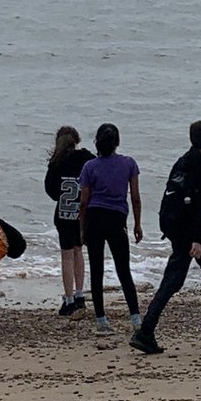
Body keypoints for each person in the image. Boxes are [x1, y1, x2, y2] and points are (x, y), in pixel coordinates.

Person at [131, 117, 201, 355]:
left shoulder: (182, 162)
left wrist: (185, 237)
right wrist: (197, 240)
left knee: (173, 280)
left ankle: (146, 330)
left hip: (176, 228)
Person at [78, 123, 143, 335]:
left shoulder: (89, 166)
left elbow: (84, 202)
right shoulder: (128, 164)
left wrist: (82, 227)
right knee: (123, 269)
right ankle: (135, 319)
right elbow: (134, 198)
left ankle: (101, 320)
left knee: (97, 270)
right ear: (117, 143)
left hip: (95, 217)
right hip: (117, 218)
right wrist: (137, 224)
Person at [44, 125, 95, 316]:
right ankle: (80, 293)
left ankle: (69, 298)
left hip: (63, 213)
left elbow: (50, 190)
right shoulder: (87, 159)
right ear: (77, 140)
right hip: (83, 214)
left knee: (66, 256)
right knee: (79, 251)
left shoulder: (56, 162)